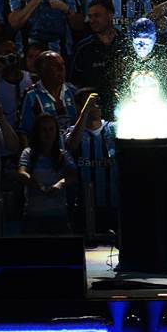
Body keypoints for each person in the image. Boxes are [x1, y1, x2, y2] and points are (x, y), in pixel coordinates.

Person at [108, 17, 167, 124]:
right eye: (138, 41)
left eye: (146, 41)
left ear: (154, 39)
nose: (142, 46)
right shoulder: (122, 58)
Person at [65, 90, 120, 237]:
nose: (94, 106)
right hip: (84, 205)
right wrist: (85, 110)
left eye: (96, 103)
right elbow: (71, 145)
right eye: (89, 103)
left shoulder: (114, 128)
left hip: (113, 204)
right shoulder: (72, 131)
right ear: (79, 107)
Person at [17, 113, 78, 233]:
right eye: (43, 130)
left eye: (51, 129)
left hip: (59, 216)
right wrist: (41, 187)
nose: (48, 133)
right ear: (37, 133)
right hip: (33, 216)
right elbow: (21, 173)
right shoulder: (28, 153)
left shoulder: (63, 155)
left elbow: (73, 175)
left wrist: (59, 185)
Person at [19, 50, 78, 145]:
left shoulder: (72, 91)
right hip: (46, 154)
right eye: (55, 66)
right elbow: (25, 132)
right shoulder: (32, 96)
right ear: (42, 71)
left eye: (62, 65)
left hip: (72, 153)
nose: (61, 69)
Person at [73, 0, 125, 100]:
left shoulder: (126, 44)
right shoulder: (82, 49)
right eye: (90, 17)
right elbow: (74, 83)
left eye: (97, 16)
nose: (92, 21)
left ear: (110, 15)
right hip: (93, 108)